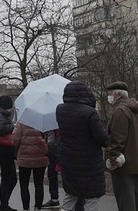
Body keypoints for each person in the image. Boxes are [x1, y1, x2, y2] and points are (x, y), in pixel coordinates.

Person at [56, 81, 109, 211]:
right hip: (89, 163)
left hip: (69, 160)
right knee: (92, 198)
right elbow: (103, 139)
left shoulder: (60, 110)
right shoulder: (90, 113)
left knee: (71, 194)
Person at [105, 81, 138, 211]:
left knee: (126, 202)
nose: (109, 97)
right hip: (135, 161)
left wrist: (113, 158)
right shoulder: (134, 109)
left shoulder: (120, 111)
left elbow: (117, 138)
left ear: (118, 94)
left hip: (124, 165)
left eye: (110, 94)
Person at [12, 122, 48, 211]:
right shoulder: (43, 122)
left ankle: (26, 207)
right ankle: (38, 207)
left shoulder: (21, 123)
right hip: (40, 157)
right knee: (39, 183)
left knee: (24, 184)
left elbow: (15, 139)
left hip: (24, 158)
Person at [0, 95, 17, 211]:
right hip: (4, 150)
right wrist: (13, 126)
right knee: (8, 178)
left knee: (10, 178)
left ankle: (4, 204)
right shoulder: (2, 115)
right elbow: (0, 129)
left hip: (3, 150)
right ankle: (4, 205)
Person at [41, 129, 60, 209]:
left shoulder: (51, 125)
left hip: (55, 151)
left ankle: (54, 198)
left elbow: (50, 142)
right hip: (60, 150)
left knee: (52, 174)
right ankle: (55, 199)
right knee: (53, 174)